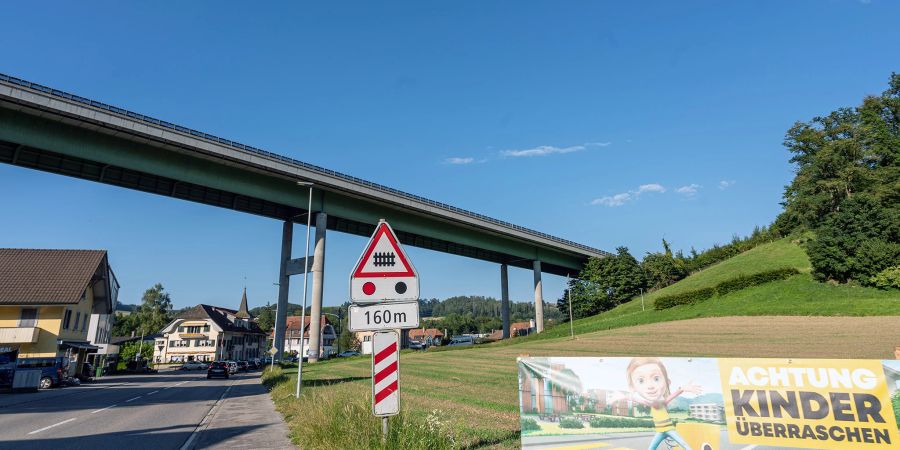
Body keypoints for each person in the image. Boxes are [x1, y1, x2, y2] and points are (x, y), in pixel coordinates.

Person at [626, 357, 701, 450]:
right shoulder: (651, 404)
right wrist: (627, 396)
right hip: (660, 432)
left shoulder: (663, 402)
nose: (651, 387)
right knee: (651, 448)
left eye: (656, 379)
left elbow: (673, 395)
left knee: (684, 444)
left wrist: (682, 388)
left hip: (670, 430)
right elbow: (638, 400)